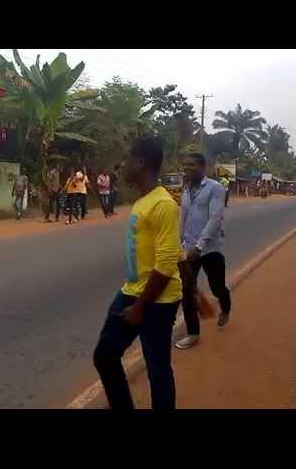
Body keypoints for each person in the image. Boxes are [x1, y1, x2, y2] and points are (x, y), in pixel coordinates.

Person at [93, 136, 182, 410]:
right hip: (132, 291)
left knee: (157, 368)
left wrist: (141, 307)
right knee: (105, 355)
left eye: (128, 159)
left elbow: (167, 263)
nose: (123, 166)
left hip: (156, 300)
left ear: (141, 163)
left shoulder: (163, 204)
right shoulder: (143, 202)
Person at [175, 153, 231, 350]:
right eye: (184, 165)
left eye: (191, 165)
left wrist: (199, 246)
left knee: (217, 287)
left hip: (210, 248)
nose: (186, 169)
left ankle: (225, 306)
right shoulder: (186, 190)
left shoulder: (215, 188)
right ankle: (193, 333)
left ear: (202, 167)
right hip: (189, 248)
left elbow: (215, 218)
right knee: (187, 291)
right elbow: (184, 217)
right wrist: (179, 243)